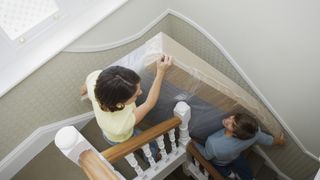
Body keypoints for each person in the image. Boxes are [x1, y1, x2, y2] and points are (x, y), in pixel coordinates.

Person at [80, 54, 172, 151]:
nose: (141, 92)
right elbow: (149, 104)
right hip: (121, 137)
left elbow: (85, 86)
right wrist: (161, 72)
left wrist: (82, 91)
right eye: (135, 95)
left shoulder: (95, 79)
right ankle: (155, 154)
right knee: (148, 145)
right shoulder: (121, 125)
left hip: (107, 130)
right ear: (119, 103)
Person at [193, 113, 285, 180]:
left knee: (221, 168)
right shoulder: (255, 133)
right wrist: (280, 141)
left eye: (232, 125)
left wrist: (193, 142)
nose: (228, 120)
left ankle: (230, 174)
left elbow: (206, 155)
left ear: (236, 135)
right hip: (235, 156)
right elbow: (269, 141)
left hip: (220, 162)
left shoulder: (213, 143)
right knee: (243, 166)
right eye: (235, 118)